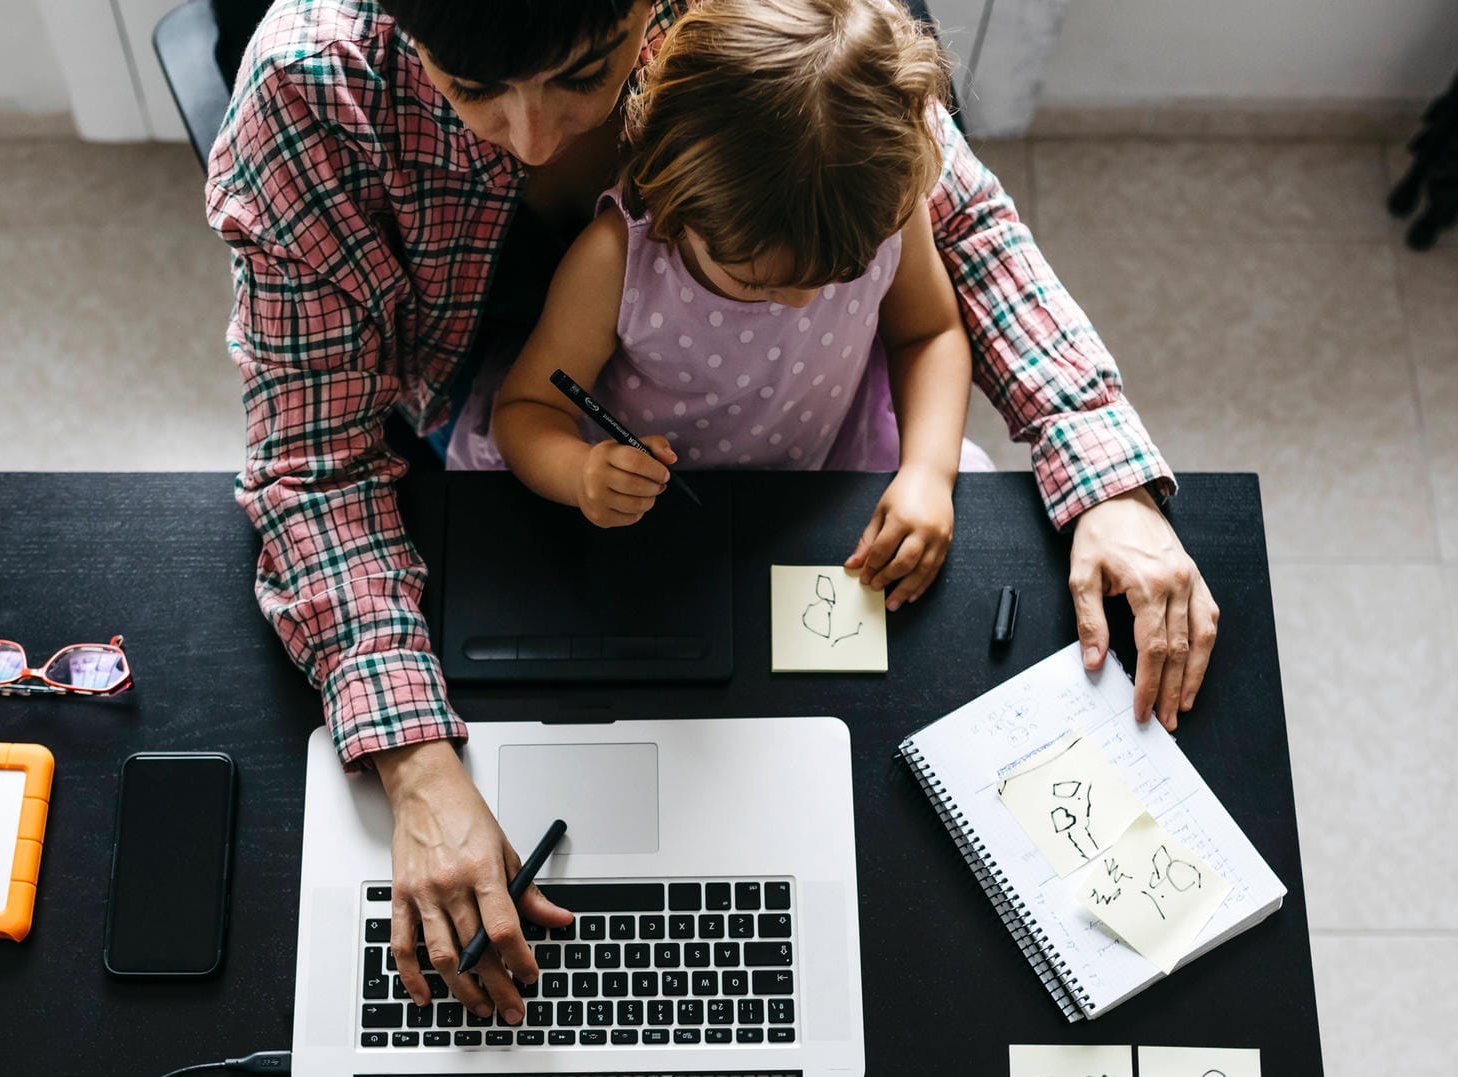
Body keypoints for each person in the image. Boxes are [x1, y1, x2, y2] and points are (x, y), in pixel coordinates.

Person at [205, 0, 1221, 1028]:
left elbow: (952, 223)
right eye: (471, 93)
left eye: (582, 72)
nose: (535, 141)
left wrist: (1107, 481)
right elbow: (317, 463)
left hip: (785, 477)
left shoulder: (777, 21)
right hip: (483, 483)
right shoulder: (310, 87)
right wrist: (416, 769)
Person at [479, 0, 987, 609]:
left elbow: (927, 333)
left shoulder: (886, 207)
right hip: (646, 514)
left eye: (838, 276)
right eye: (756, 284)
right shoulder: (619, 261)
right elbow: (528, 408)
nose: (801, 303)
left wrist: (928, 473)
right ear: (676, 200)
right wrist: (582, 473)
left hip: (823, 478)